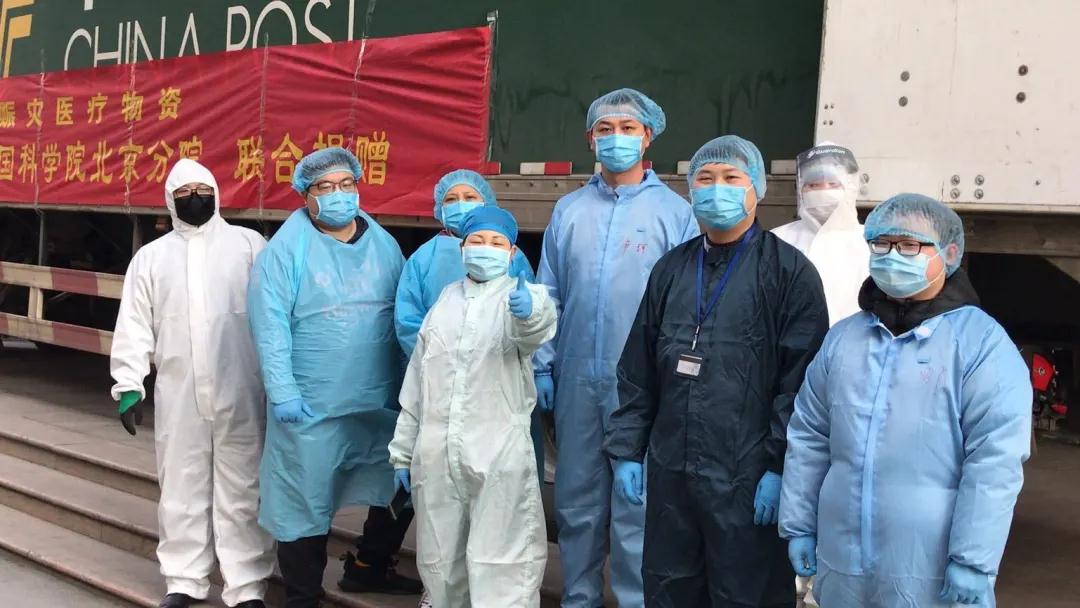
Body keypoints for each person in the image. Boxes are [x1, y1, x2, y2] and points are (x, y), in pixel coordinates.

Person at [604, 135, 829, 607]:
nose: (716, 189)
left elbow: (802, 385)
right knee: (670, 586)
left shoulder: (789, 273)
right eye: (704, 179)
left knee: (744, 591)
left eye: (730, 177)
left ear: (757, 187)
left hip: (746, 478)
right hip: (673, 474)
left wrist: (781, 467)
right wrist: (628, 448)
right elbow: (639, 368)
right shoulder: (671, 269)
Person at [779, 193, 1031, 608]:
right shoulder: (845, 339)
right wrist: (800, 524)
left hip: (930, 567)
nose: (892, 256)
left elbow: (995, 459)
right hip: (843, 563)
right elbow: (809, 436)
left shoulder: (980, 344)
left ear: (950, 253)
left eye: (910, 245)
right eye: (882, 244)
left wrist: (973, 558)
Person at [536, 87, 700, 607]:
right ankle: (578, 598)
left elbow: (687, 307)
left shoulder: (675, 213)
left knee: (639, 507)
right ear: (590, 139)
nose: (616, 138)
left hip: (644, 386)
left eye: (628, 128)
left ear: (648, 136)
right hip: (576, 380)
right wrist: (543, 365)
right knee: (577, 503)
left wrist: (674, 380)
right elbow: (549, 293)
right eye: (605, 129)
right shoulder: (569, 210)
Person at [247, 147, 422, 608]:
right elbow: (270, 325)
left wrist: (410, 389)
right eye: (324, 187)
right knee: (304, 499)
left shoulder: (383, 245)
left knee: (398, 482)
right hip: (312, 404)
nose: (338, 194)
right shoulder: (284, 252)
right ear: (305, 195)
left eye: (346, 184)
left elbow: (403, 316)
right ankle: (303, 596)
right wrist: (282, 390)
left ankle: (370, 566)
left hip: (377, 399)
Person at [109, 159, 275, 608]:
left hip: (242, 388)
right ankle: (184, 580)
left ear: (217, 193)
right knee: (182, 487)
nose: (195, 198)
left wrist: (281, 383)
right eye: (184, 193)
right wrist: (128, 383)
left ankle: (247, 585)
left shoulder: (249, 246)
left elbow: (274, 315)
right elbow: (134, 325)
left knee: (244, 488)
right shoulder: (151, 258)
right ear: (170, 200)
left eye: (203, 190)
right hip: (180, 393)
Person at [390, 206, 557, 608]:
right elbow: (418, 383)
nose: (486, 248)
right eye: (477, 241)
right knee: (440, 564)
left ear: (512, 252)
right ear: (462, 248)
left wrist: (529, 313)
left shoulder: (521, 297)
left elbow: (535, 328)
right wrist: (402, 453)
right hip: (438, 457)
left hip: (498, 457)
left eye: (496, 242)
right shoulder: (444, 303)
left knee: (503, 564)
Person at [394, 169, 543, 486]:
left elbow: (534, 323)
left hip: (497, 387)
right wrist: (445, 362)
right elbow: (408, 323)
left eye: (470, 197)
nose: (461, 204)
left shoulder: (512, 259)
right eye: (451, 199)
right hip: (439, 384)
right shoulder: (423, 260)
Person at [772, 143, 869, 325]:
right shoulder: (777, 240)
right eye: (813, 185)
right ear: (800, 189)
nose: (823, 191)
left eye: (833, 184)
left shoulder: (871, 242)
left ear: (851, 187)